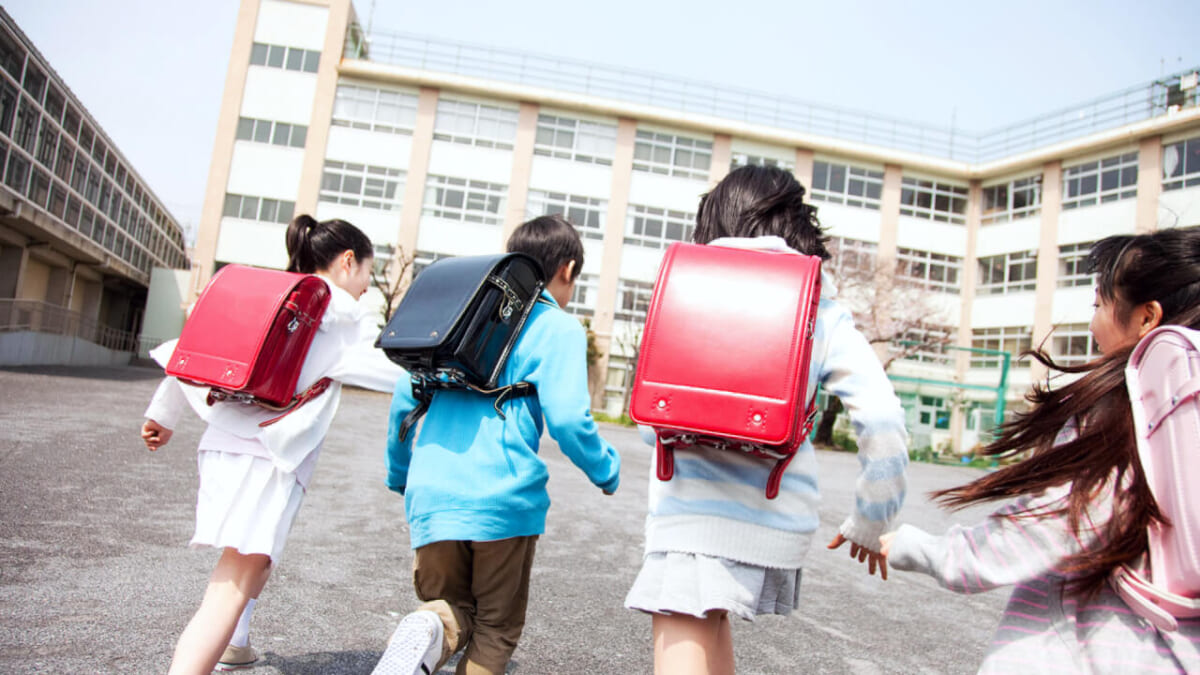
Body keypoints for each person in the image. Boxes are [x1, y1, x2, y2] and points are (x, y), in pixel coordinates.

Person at [623, 164, 910, 674]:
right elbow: (883, 418)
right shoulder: (817, 304)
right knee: (713, 640)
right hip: (775, 521)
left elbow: (651, 425)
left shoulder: (683, 287)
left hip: (690, 522)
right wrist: (872, 520)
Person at [880, 226, 1200, 673]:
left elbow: (1037, 534)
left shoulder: (1125, 411)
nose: (1093, 326)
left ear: (1147, 317)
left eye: (1099, 305)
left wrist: (913, 547)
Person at [140, 215, 404, 674]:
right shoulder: (339, 309)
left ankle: (236, 643)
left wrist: (163, 415)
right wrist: (439, 380)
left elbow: (191, 347)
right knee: (231, 584)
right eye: (366, 271)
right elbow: (376, 368)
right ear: (347, 262)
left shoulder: (275, 293)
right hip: (269, 458)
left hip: (222, 444)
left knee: (254, 560)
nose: (366, 285)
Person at [373, 214, 621, 675]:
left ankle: (427, 626)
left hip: (431, 493)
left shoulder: (458, 316)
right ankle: (430, 629)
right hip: (502, 499)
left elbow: (403, 402)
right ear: (566, 269)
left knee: (449, 609)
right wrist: (606, 469)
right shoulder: (557, 327)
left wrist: (400, 473)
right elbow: (568, 419)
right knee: (495, 629)